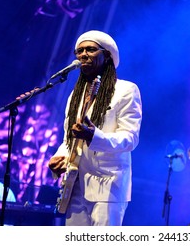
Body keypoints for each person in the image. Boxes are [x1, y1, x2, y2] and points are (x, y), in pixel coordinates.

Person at [47, 30, 143, 226]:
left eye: (90, 49)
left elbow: (130, 138)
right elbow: (69, 139)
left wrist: (94, 136)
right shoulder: (76, 95)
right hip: (75, 185)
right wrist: (60, 157)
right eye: (79, 51)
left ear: (106, 55)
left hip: (108, 185)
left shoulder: (126, 90)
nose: (83, 55)